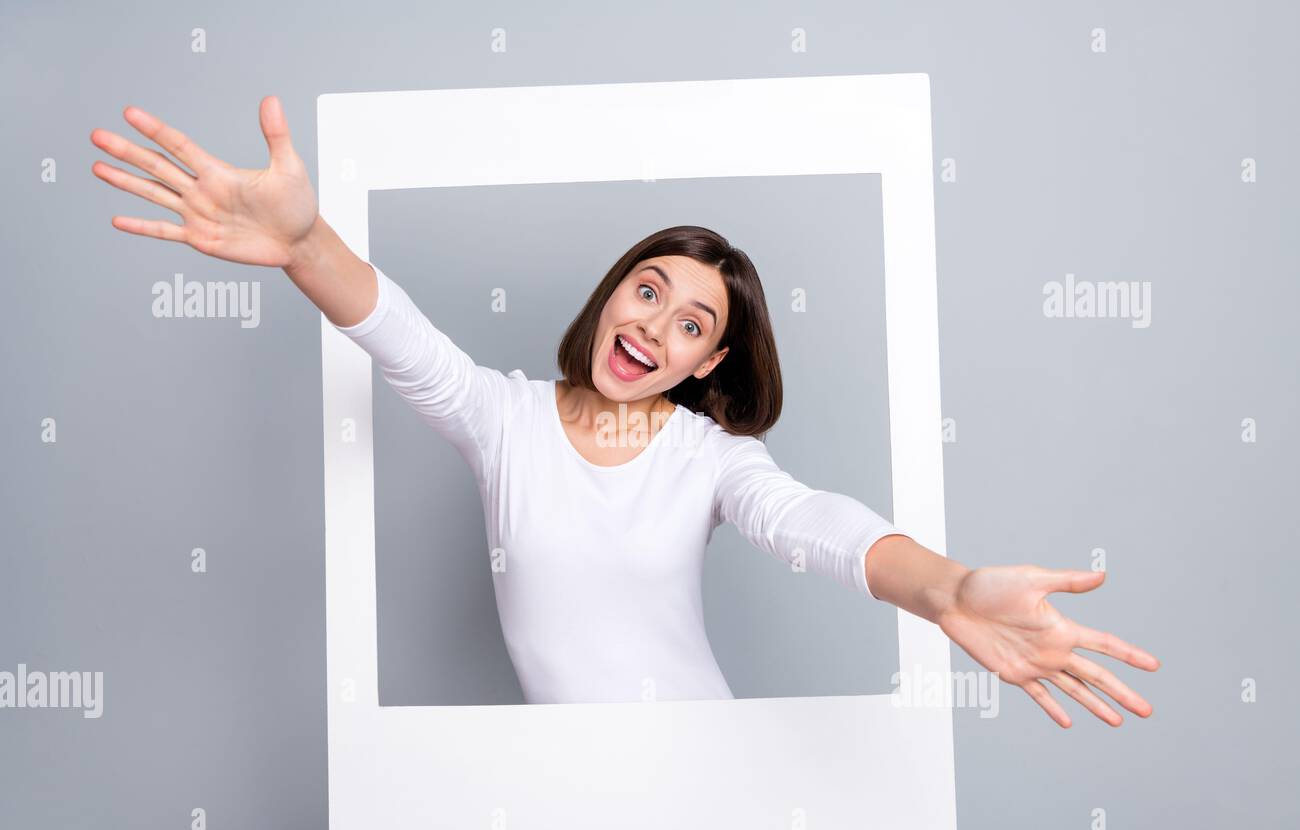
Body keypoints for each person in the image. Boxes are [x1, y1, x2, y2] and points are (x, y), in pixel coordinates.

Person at [89, 96, 1161, 722]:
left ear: (708, 360)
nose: (656, 322)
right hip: (563, 796)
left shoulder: (712, 459)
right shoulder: (500, 417)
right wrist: (301, 245)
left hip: (708, 779)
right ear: (614, 290)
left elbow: (816, 526)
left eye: (693, 322)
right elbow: (396, 329)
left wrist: (950, 588)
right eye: (649, 288)